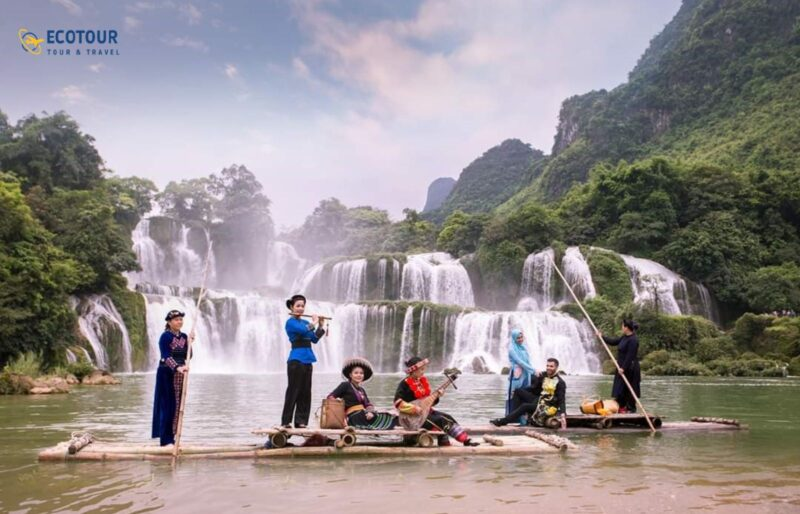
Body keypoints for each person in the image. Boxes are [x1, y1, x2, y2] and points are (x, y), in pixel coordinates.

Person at [394, 357, 479, 446]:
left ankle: (465, 440)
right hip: (411, 419)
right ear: (413, 370)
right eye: (421, 369)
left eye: (424, 369)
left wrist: (438, 396)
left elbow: (428, 403)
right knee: (440, 420)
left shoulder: (421, 383)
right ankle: (455, 441)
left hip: (425, 413)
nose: (423, 372)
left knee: (447, 417)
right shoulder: (404, 384)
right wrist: (414, 408)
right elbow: (397, 403)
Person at [281, 294, 326, 428]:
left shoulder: (306, 322)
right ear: (291, 307)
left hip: (307, 360)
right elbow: (302, 331)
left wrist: (321, 326)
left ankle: (301, 421)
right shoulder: (290, 322)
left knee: (306, 392)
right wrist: (314, 323)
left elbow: (314, 339)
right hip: (296, 360)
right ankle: (285, 421)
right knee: (293, 390)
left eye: (302, 306)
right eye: (298, 306)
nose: (301, 308)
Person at [152, 309, 195, 446]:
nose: (179, 322)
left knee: (177, 406)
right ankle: (165, 440)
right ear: (169, 322)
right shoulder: (165, 337)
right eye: (176, 320)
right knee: (168, 406)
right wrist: (177, 367)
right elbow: (165, 356)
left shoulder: (183, 336)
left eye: (181, 319)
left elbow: (189, 355)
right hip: (167, 374)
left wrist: (190, 342)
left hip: (180, 374)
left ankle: (173, 438)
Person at [490, 358, 567, 429]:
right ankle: (516, 419)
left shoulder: (560, 382)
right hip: (539, 400)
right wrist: (524, 388)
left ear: (556, 368)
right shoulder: (544, 375)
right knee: (518, 391)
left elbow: (561, 400)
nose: (548, 368)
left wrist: (563, 414)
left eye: (551, 366)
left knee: (525, 406)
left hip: (548, 406)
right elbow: (534, 388)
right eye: (547, 366)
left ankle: (502, 421)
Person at [327, 357, 397, 429]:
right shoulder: (345, 385)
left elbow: (368, 404)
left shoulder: (362, 390)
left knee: (389, 417)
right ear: (350, 375)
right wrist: (337, 401)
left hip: (363, 414)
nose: (359, 375)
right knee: (386, 420)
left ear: (363, 376)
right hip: (353, 417)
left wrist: (371, 413)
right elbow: (330, 396)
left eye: (361, 373)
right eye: (356, 373)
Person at [596, 319, 640, 413]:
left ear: (627, 328)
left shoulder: (633, 340)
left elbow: (630, 356)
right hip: (621, 367)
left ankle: (631, 409)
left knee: (629, 388)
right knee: (620, 388)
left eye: (622, 325)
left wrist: (624, 368)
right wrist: (602, 337)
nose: (621, 327)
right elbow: (613, 341)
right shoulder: (624, 337)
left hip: (630, 368)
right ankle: (621, 407)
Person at [507, 329, 538, 424]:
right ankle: (512, 418)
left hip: (526, 374)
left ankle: (524, 419)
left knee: (524, 394)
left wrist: (532, 371)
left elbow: (527, 361)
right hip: (517, 375)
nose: (520, 339)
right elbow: (519, 361)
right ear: (514, 338)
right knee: (514, 395)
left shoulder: (523, 347)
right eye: (518, 338)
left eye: (521, 337)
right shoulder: (512, 349)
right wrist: (533, 370)